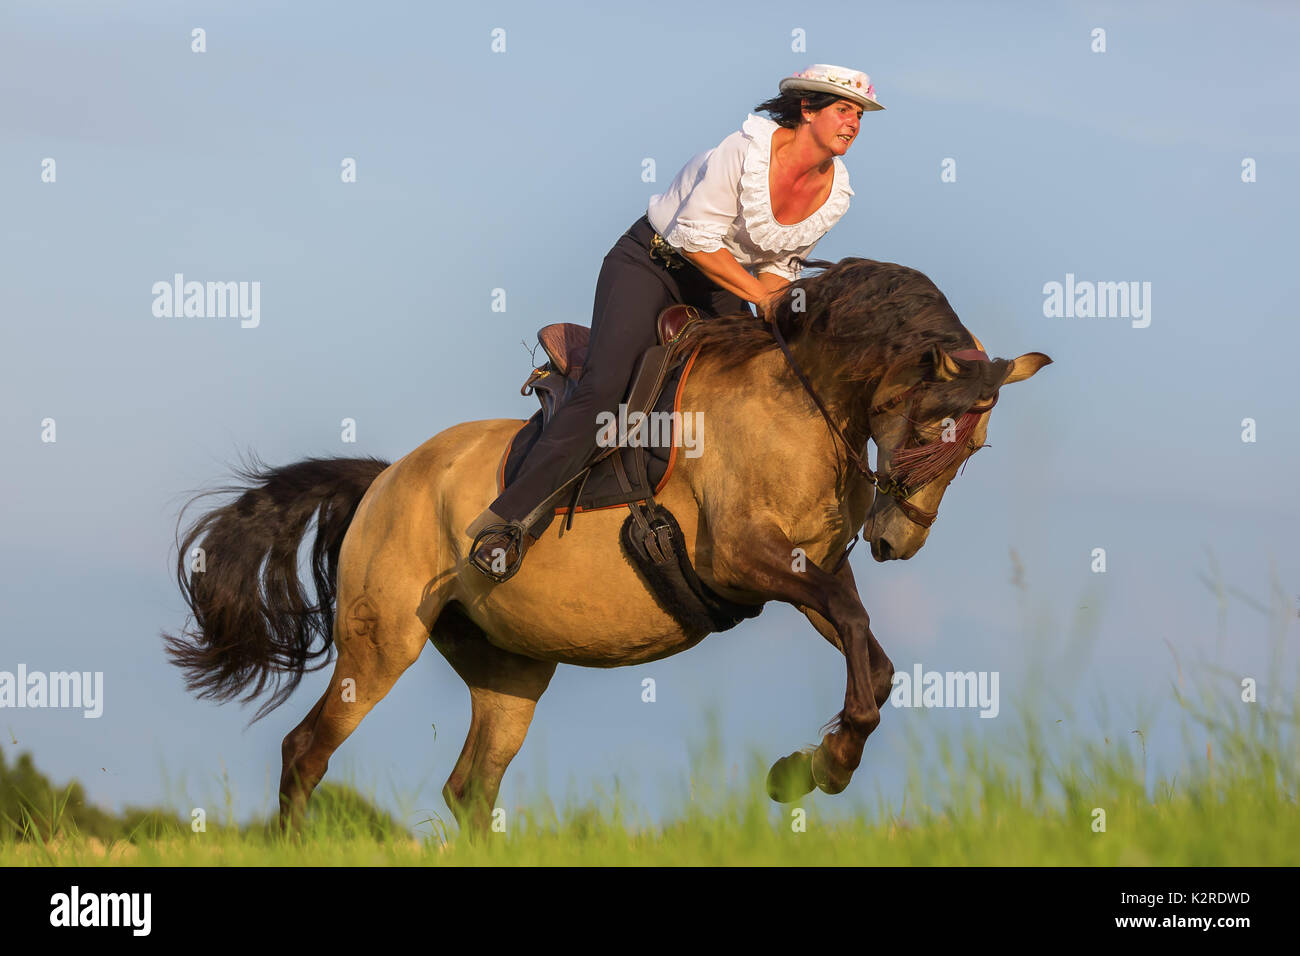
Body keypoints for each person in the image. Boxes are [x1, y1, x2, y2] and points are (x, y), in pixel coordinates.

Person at [467, 64, 884, 581]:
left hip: (722, 284)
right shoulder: (743, 152)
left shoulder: (836, 193)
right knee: (605, 390)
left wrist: (788, 320)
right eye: (843, 110)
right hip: (652, 263)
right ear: (807, 110)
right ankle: (507, 522)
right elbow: (696, 242)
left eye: (859, 114)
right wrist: (761, 296)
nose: (853, 123)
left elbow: (778, 267)